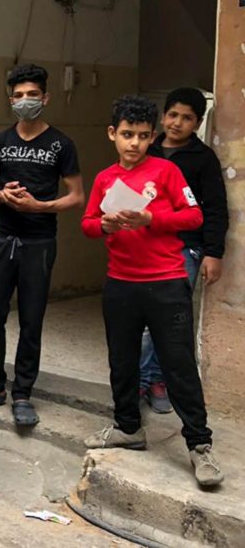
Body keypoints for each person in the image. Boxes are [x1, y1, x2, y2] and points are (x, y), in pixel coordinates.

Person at [81, 95, 221, 489]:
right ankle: (128, 427)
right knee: (121, 361)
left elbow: (194, 215)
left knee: (178, 365)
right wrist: (105, 226)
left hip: (167, 282)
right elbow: (88, 224)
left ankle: (199, 444)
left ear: (152, 136)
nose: (134, 144)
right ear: (113, 134)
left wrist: (150, 218)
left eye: (143, 136)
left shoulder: (167, 172)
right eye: (127, 135)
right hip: (121, 283)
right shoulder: (105, 178)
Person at [0, 64, 84, 428]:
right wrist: (1, 196)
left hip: (39, 242)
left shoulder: (61, 144)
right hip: (2, 239)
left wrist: (40, 207)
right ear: (10, 99)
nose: (25, 101)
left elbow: (77, 196)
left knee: (31, 320)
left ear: (45, 98)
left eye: (32, 95)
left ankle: (23, 394)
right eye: (18, 96)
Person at [139, 88, 228, 414]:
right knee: (142, 317)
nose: (178, 122)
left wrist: (213, 253)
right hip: (142, 246)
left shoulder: (203, 159)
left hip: (185, 249)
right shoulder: (145, 148)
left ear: (198, 122)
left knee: (169, 320)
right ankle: (143, 380)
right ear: (163, 116)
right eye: (173, 115)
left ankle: (153, 380)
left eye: (187, 118)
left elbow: (216, 208)